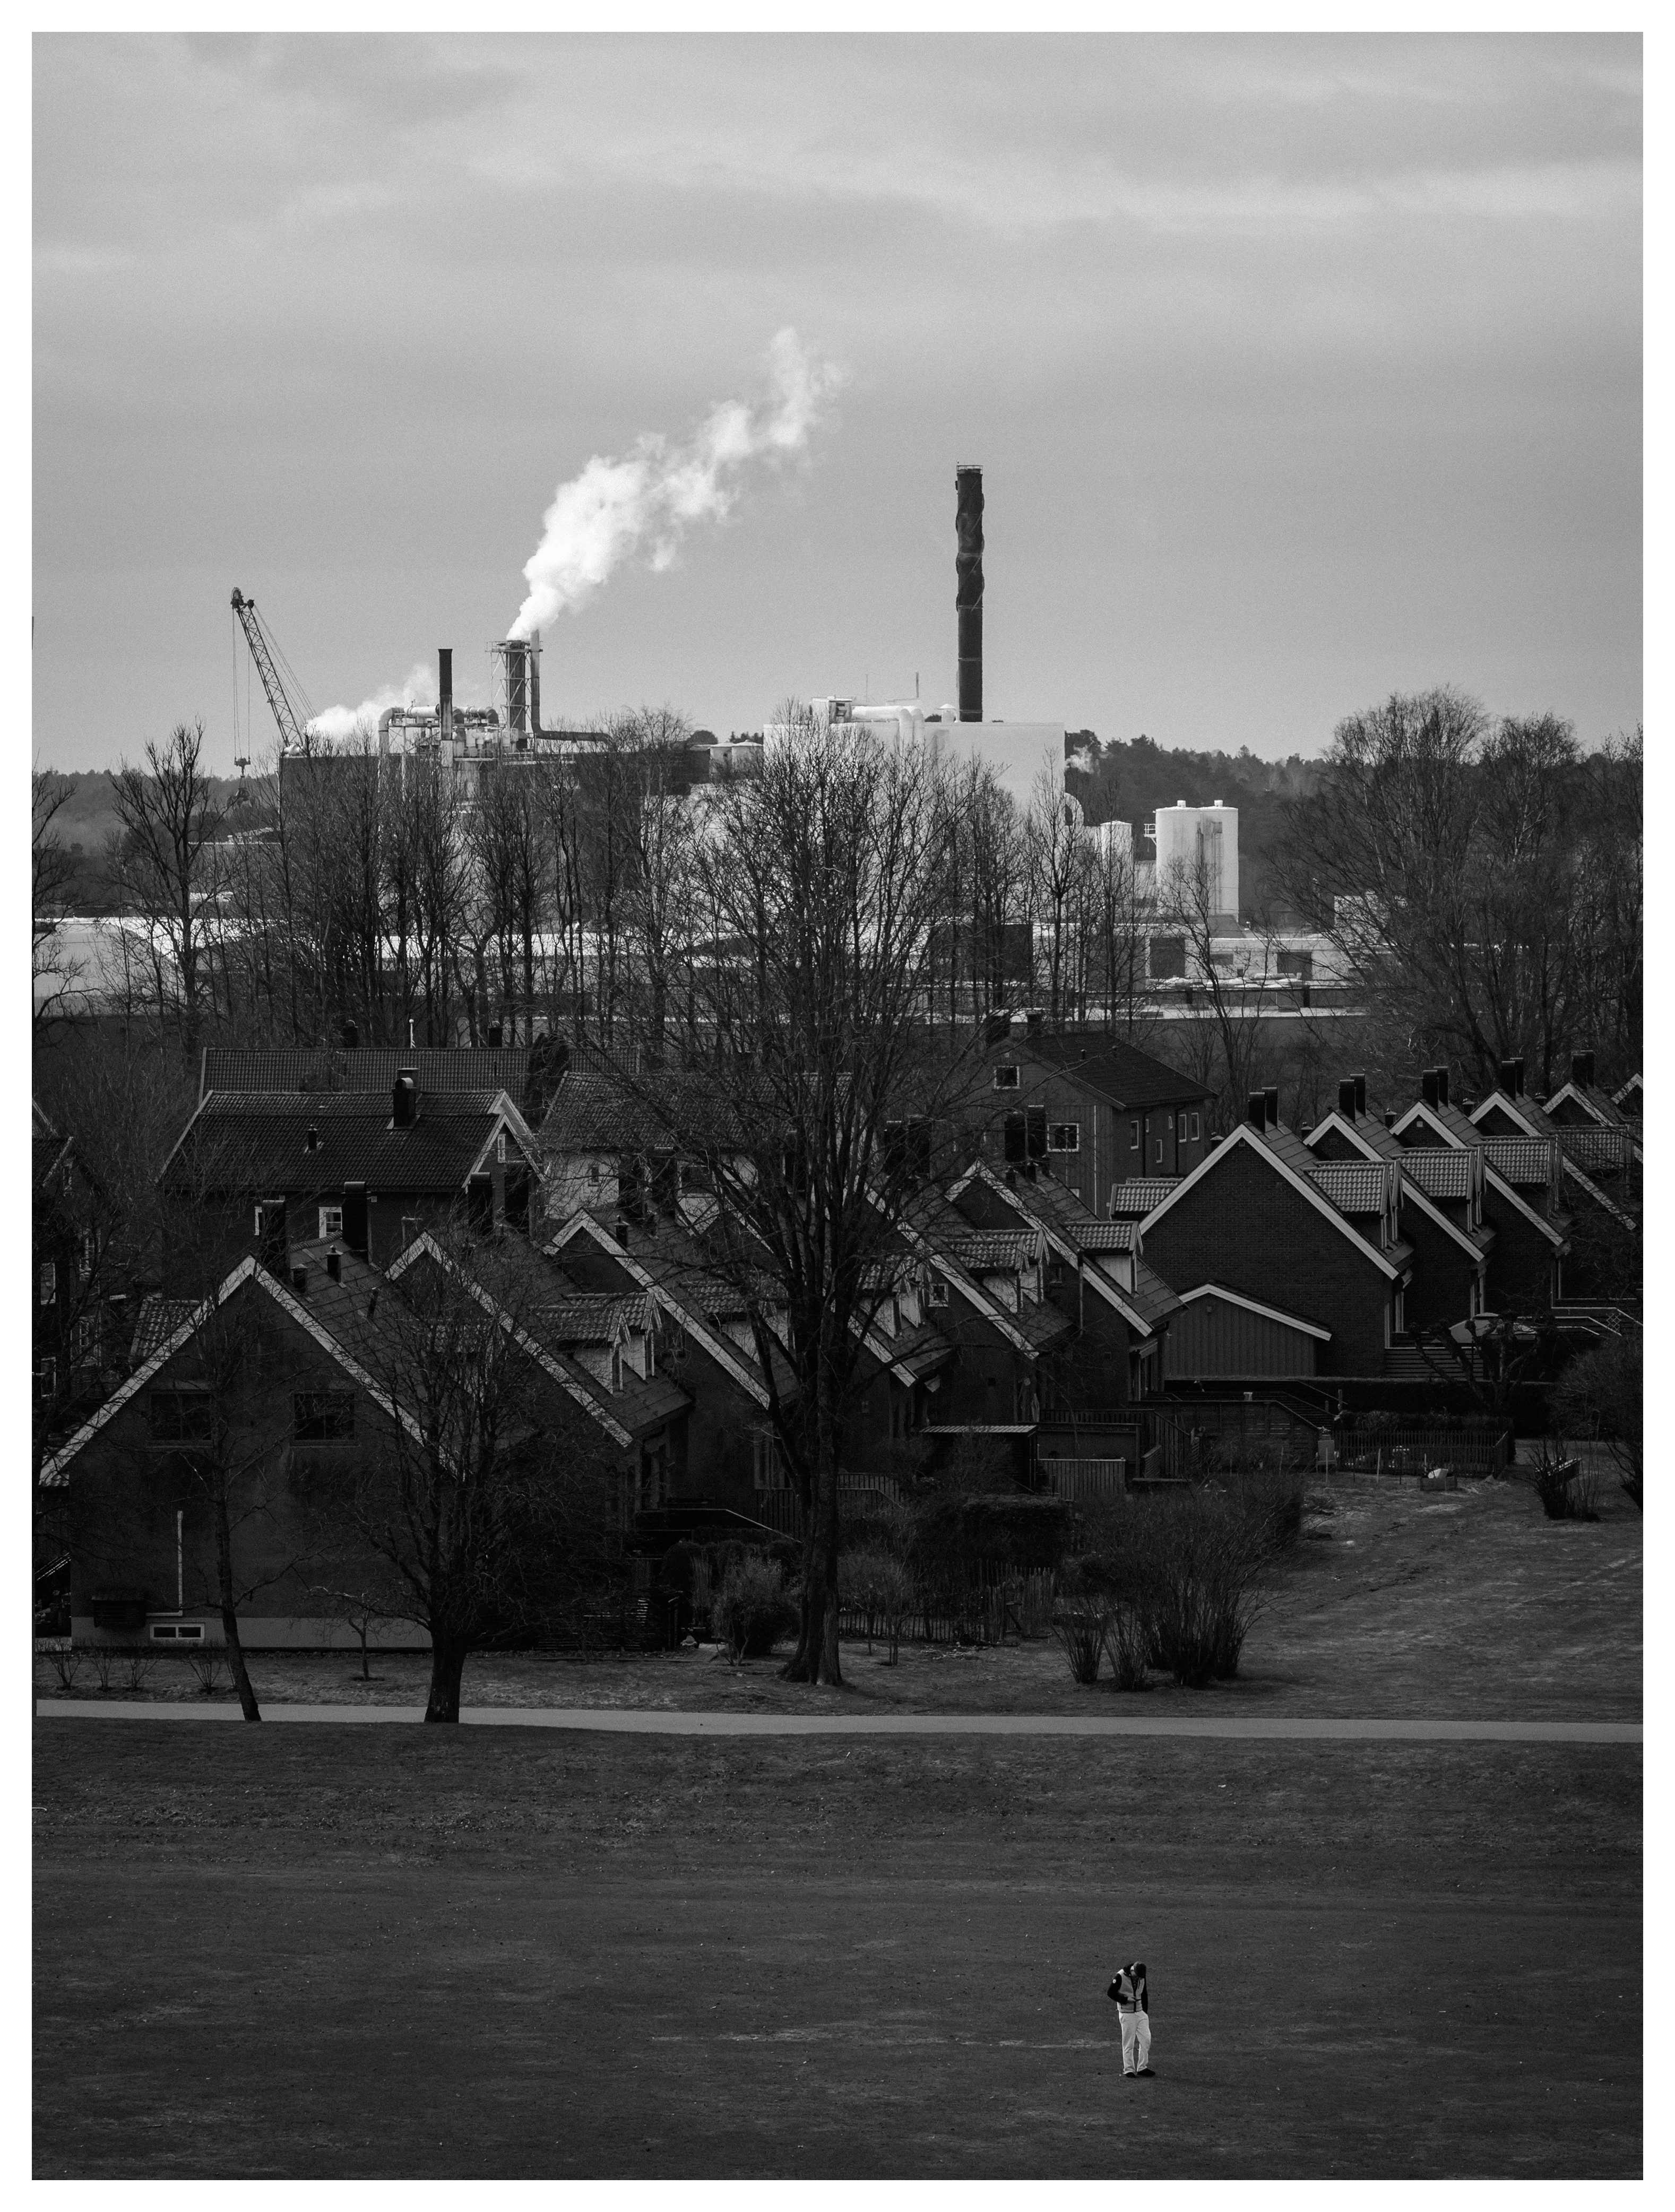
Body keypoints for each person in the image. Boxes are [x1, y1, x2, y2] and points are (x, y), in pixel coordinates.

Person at [1108, 1960, 1152, 2077]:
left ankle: (1142, 2067)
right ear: (1132, 1971)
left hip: (1140, 2012)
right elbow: (1110, 1993)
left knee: (1146, 2039)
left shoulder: (1141, 1976)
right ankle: (1129, 2069)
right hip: (1127, 2013)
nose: (1139, 1979)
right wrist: (1125, 2000)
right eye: (1137, 1976)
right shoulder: (1120, 1976)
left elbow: (1144, 1994)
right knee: (1129, 2042)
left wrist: (1145, 2013)